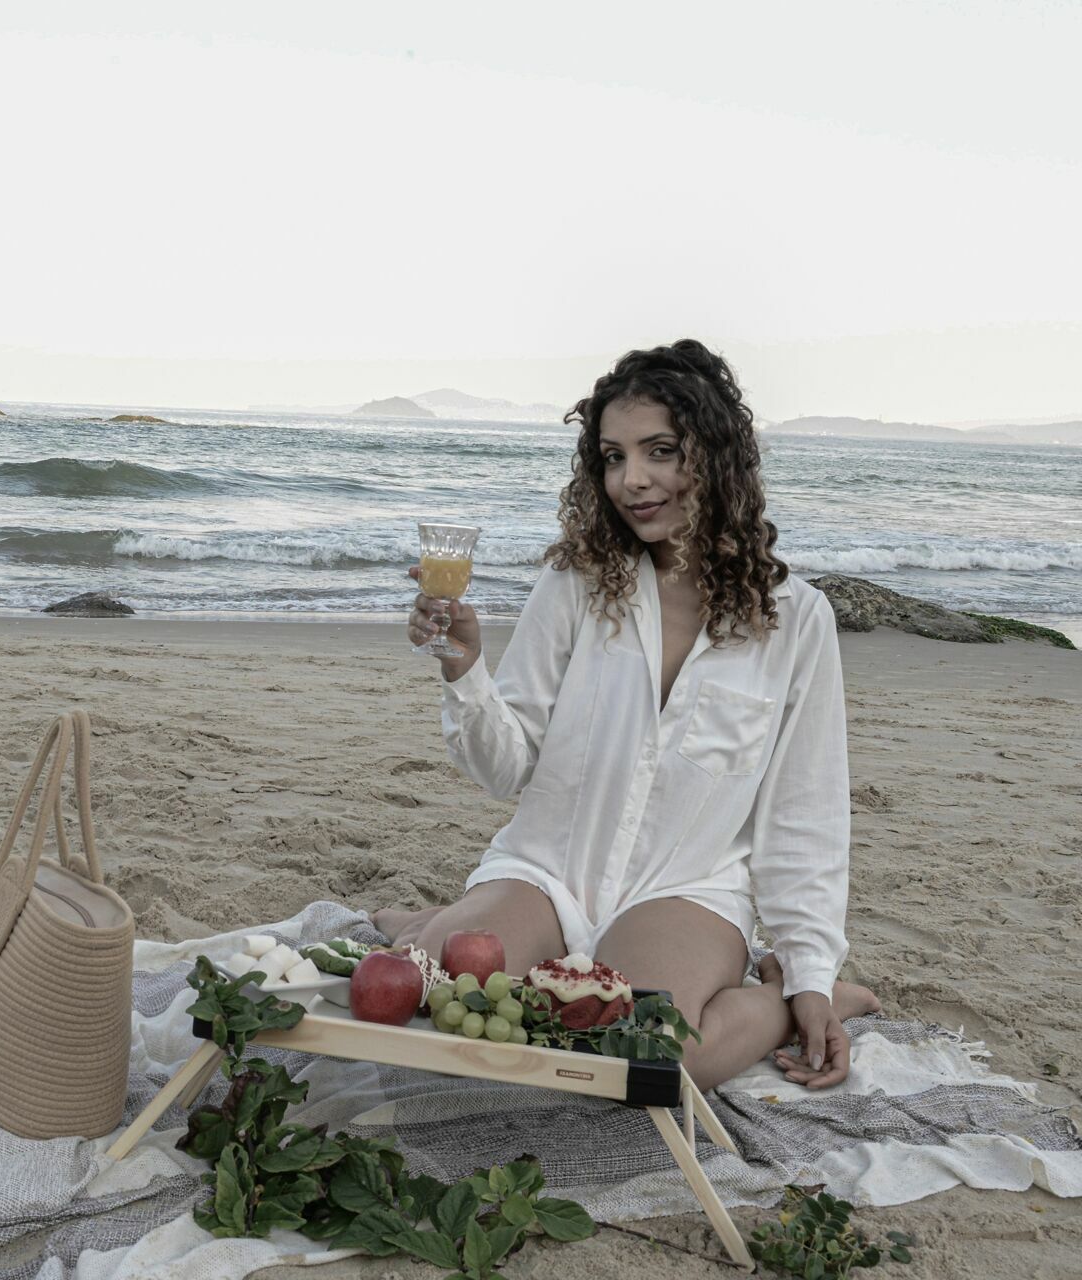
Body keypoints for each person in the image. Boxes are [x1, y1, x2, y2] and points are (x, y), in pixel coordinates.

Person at [375, 339, 879, 1091]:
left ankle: (778, 999)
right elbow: (504, 767)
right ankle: (444, 922)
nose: (631, 481)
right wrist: (464, 666)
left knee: (643, 1055)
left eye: (660, 451)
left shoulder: (797, 624)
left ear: (716, 458)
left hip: (686, 887)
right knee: (436, 999)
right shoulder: (575, 584)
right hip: (551, 870)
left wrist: (807, 973)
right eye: (612, 457)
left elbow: (804, 816)